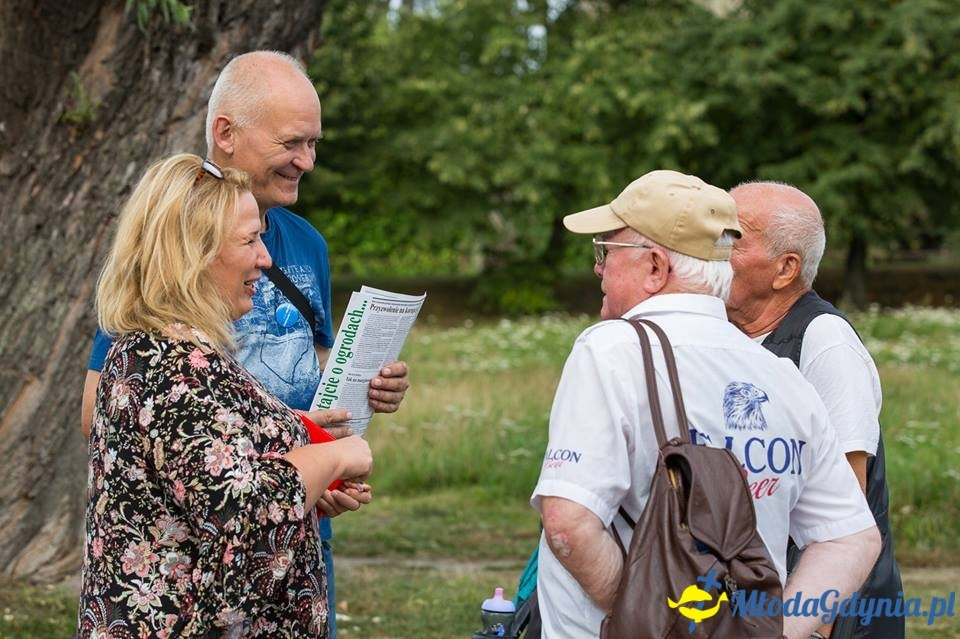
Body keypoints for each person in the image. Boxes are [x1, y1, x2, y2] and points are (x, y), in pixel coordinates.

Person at [80, 51, 408, 638]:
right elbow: (230, 499)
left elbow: (300, 391)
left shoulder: (306, 242)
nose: (307, 160)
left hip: (288, 552)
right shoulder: (167, 347)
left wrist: (346, 417)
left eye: (315, 142)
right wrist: (328, 459)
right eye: (292, 141)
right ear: (225, 133)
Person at [530, 169, 881, 639]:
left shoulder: (612, 349)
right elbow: (851, 537)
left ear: (656, 267)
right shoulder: (779, 373)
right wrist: (770, 630)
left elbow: (567, 525)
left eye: (607, 251)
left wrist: (659, 613)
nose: (598, 268)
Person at [727, 181, 904, 639]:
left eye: (733, 237)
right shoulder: (726, 341)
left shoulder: (825, 341)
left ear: (786, 269)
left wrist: (814, 629)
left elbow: (846, 506)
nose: (713, 249)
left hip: (833, 617)